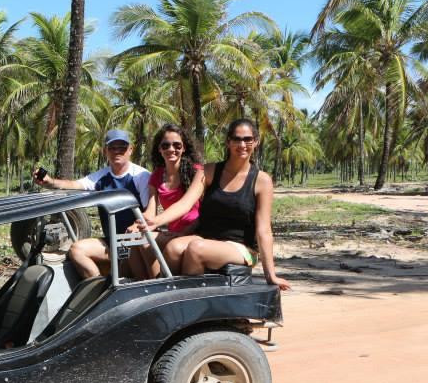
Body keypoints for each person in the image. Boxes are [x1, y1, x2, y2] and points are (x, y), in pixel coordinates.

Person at [172, 118, 291, 290]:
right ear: (228, 142)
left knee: (196, 249)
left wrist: (270, 275)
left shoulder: (262, 180)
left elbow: (264, 230)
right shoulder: (209, 171)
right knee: (173, 248)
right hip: (207, 238)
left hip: (241, 247)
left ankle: (195, 307)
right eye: (237, 139)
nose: (242, 144)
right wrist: (153, 222)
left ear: (256, 142)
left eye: (247, 139)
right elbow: (186, 204)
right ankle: (171, 299)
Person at [33, 129, 150, 278]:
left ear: (130, 150)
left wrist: (135, 227)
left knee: (128, 274)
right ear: (105, 151)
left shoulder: (141, 176)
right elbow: (74, 184)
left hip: (135, 241)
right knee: (77, 250)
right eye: (112, 148)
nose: (117, 152)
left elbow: (149, 214)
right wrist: (50, 182)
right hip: (111, 241)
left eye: (122, 147)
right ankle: (98, 288)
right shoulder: (101, 177)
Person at [127, 124, 205, 278]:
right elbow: (150, 211)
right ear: (159, 149)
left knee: (146, 243)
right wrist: (137, 224)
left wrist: (183, 233)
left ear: (184, 148)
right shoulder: (156, 176)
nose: (171, 149)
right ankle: (143, 284)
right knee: (133, 240)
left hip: (195, 231)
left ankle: (158, 284)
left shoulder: (196, 172)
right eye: (165, 145)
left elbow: (204, 213)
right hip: (173, 232)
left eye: (177, 145)